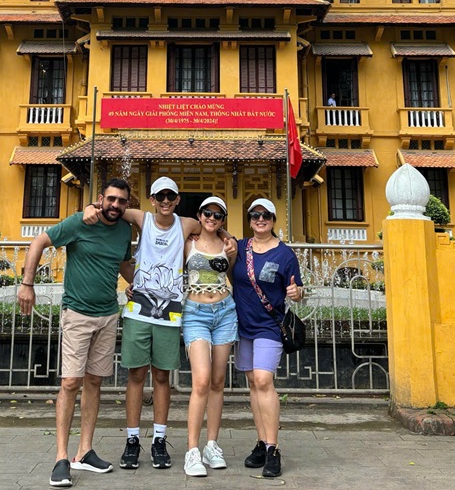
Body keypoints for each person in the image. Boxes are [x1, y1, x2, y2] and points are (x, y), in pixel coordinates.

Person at [81, 175, 232, 470]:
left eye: (170, 196)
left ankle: (159, 440)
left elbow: (212, 224)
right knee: (136, 375)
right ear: (151, 199)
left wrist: (230, 238)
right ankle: (132, 439)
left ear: (177, 200)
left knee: (162, 377)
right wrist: (90, 207)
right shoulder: (142, 219)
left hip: (170, 313)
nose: (165, 201)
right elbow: (111, 209)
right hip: (139, 311)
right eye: (159, 196)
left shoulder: (186, 225)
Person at [18, 178, 133, 489]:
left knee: (95, 381)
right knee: (70, 382)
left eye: (122, 201)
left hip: (108, 314)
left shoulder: (124, 230)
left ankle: (85, 451)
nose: (116, 205)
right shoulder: (79, 222)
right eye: (111, 199)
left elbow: (122, 263)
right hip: (78, 313)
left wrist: (137, 283)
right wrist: (27, 284)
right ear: (101, 198)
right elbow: (38, 242)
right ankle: (61, 457)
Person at [231, 197, 304, 479]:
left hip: (269, 326)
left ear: (273, 220)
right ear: (249, 220)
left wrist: (297, 293)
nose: (260, 220)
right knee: (252, 383)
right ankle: (261, 442)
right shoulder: (239, 247)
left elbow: (297, 290)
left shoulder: (285, 255)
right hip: (243, 325)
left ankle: (273, 448)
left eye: (266, 215)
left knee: (263, 380)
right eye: (255, 215)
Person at [181, 195, 238, 478]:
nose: (212, 218)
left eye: (218, 215)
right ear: (199, 215)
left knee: (217, 381)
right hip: (195, 314)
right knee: (201, 381)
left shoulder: (228, 246)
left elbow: (235, 277)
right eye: (207, 213)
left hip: (225, 312)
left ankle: (211, 445)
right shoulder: (187, 242)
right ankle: (192, 450)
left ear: (223, 219)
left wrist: (229, 238)